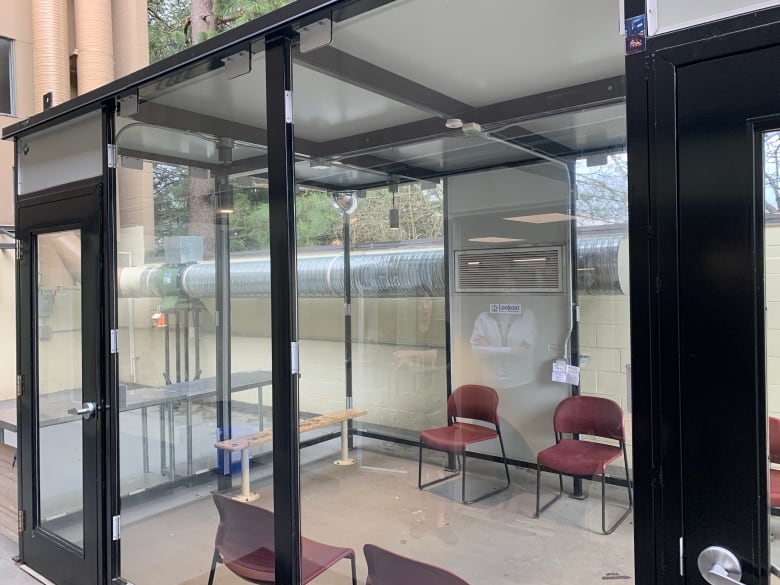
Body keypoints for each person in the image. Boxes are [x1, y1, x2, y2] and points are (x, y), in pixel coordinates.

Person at [470, 307, 538, 389]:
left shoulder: (527, 316)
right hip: (490, 382)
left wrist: (490, 348)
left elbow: (523, 351)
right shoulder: (483, 317)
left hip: (521, 382)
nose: (506, 294)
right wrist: (510, 350)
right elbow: (478, 351)